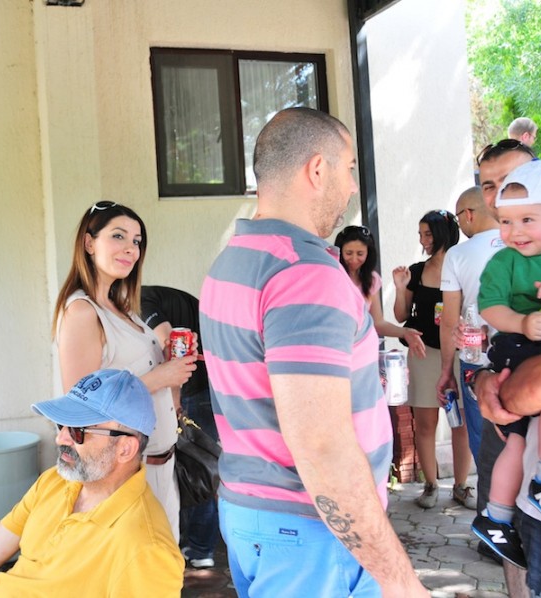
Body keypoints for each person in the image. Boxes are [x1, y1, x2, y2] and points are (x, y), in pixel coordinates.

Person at [200, 107, 426, 596]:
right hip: (309, 531)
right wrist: (401, 581)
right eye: (349, 169)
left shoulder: (231, 262)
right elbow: (322, 445)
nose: (352, 187)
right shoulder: (304, 274)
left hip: (254, 514)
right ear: (317, 169)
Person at [0, 368, 185, 597]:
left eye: (78, 431)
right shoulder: (56, 482)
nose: (60, 438)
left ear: (125, 449)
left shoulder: (146, 548)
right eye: (61, 425)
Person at [52, 203, 196, 540]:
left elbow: (134, 377)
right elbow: (82, 407)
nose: (131, 248)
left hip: (160, 465)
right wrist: (160, 377)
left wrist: (169, 364)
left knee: (164, 562)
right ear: (89, 243)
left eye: (137, 240)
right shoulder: (83, 312)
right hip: (124, 477)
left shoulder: (123, 310)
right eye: (118, 236)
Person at [471, 159, 541, 567]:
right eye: (506, 222)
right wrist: (522, 323)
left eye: (527, 220)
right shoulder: (504, 262)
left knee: (520, 438)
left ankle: (497, 516)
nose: (515, 232)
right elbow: (490, 307)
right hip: (520, 345)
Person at [393, 210, 475, 510]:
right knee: (425, 423)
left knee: (460, 423)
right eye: (420, 234)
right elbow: (400, 315)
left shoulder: (463, 266)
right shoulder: (416, 271)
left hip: (459, 353)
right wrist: (400, 287)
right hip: (424, 354)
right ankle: (430, 484)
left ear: (443, 234)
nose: (423, 240)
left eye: (427, 234)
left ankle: (461, 485)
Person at [474, 340, 541, 596]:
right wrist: (483, 380)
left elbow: (530, 390)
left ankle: (497, 517)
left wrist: (488, 384)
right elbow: (531, 389)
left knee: (515, 443)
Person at [140, 285, 218, 568]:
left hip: (192, 388)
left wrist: (175, 401)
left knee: (196, 469)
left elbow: (169, 345)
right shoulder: (164, 297)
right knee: (200, 466)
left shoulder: (140, 300)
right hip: (211, 385)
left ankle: (198, 547)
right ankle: (198, 546)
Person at [437, 186, 505, 465]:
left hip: (476, 358)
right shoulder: (521, 241)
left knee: (483, 436)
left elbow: (449, 320)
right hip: (525, 352)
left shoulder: (457, 254)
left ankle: (490, 493)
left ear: (468, 214)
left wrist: (446, 370)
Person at [334, 225, 426, 355]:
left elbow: (378, 323)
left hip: (362, 351)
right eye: (348, 253)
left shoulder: (372, 280)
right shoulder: (332, 275)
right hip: (336, 348)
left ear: (368, 253)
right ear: (340, 251)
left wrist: (404, 332)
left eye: (360, 254)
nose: (354, 259)